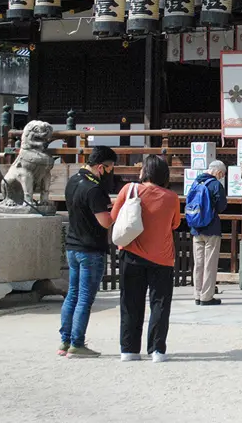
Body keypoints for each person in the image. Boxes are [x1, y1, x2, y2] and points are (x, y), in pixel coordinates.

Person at [110, 155, 181, 363]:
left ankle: (129, 349)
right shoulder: (172, 197)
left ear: (145, 171)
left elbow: (114, 216)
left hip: (131, 253)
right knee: (160, 304)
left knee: (130, 302)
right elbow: (175, 224)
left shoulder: (129, 190)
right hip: (162, 257)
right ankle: (157, 350)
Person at [59, 145, 117, 359]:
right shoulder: (94, 189)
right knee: (84, 298)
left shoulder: (73, 181)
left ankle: (65, 341)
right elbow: (105, 222)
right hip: (90, 249)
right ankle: (77, 343)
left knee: (72, 295)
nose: (111, 172)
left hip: (72, 246)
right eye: (110, 168)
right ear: (101, 167)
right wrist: (119, 209)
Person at [189, 160, 228, 306]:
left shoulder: (195, 183)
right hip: (211, 229)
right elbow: (221, 206)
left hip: (196, 228)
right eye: (222, 174)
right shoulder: (216, 185)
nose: (221, 177)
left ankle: (197, 294)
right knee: (209, 264)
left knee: (198, 263)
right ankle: (206, 296)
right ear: (218, 172)